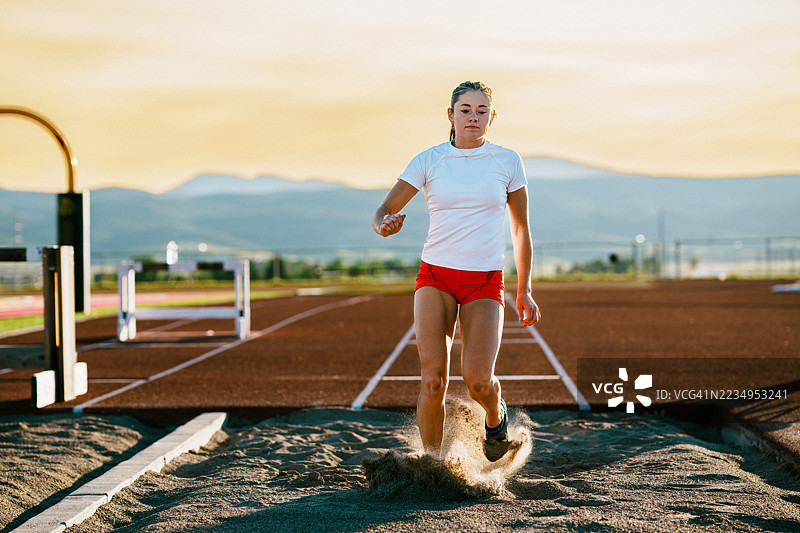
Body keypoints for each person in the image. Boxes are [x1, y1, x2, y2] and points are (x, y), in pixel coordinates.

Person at [371, 80, 541, 461]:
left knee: (479, 380)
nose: (473, 118)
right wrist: (383, 223)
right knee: (433, 380)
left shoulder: (507, 161)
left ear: (491, 117)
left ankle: (495, 420)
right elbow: (382, 210)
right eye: (465, 110)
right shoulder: (429, 160)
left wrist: (524, 288)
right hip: (436, 278)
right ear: (451, 115)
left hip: (484, 282)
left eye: (482, 111)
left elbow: (520, 228)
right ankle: (432, 464)